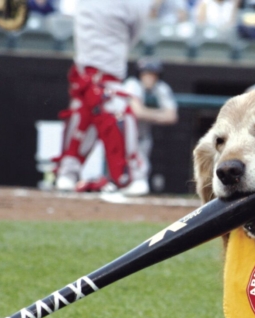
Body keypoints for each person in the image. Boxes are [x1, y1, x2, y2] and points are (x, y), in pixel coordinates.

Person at [53, 0, 153, 193]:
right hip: (84, 73)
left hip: (111, 76)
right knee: (79, 117)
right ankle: (68, 172)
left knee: (117, 117)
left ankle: (131, 176)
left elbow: (132, 36)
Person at [122, 58, 179, 196]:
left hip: (142, 133)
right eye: (146, 73)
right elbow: (137, 112)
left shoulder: (161, 87)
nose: (150, 77)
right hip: (122, 131)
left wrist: (147, 114)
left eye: (153, 74)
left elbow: (172, 117)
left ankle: (136, 185)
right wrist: (159, 114)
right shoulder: (132, 84)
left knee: (141, 165)